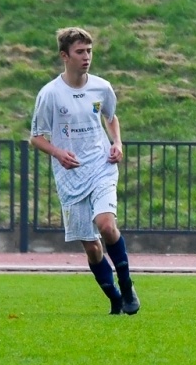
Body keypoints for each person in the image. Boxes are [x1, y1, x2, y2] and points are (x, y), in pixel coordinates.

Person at [30, 27, 139, 315]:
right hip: (70, 175)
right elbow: (36, 137)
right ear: (64, 56)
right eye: (80, 52)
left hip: (101, 165)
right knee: (91, 246)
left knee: (106, 224)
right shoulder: (50, 94)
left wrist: (117, 142)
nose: (86, 57)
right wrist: (58, 153)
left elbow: (111, 117)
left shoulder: (102, 87)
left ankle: (127, 286)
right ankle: (114, 297)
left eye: (89, 51)